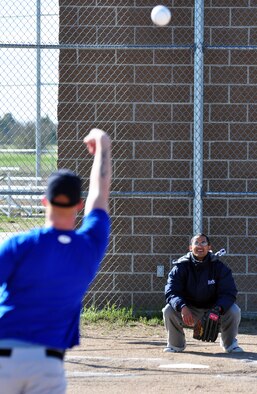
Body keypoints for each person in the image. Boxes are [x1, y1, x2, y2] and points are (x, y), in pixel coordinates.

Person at [0, 128, 112, 393]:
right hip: (47, 365)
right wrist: (103, 147)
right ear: (79, 205)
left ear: (44, 201)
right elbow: (101, 195)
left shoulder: (20, 244)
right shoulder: (89, 246)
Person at [162, 233, 244, 354]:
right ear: (190, 247)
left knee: (234, 310)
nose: (200, 246)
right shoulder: (180, 267)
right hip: (189, 312)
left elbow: (229, 292)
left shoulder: (219, 267)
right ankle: (176, 344)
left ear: (209, 247)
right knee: (168, 310)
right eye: (196, 243)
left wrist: (218, 308)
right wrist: (182, 307)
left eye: (203, 243)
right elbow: (171, 291)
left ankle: (230, 343)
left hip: (214, 311)